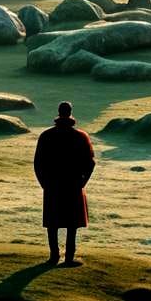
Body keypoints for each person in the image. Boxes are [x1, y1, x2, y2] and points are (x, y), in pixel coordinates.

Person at [33, 100, 95, 266]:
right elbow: (90, 163)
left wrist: (44, 183)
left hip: (53, 185)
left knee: (53, 223)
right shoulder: (81, 137)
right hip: (73, 184)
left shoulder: (46, 136)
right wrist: (82, 182)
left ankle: (54, 256)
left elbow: (38, 163)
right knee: (71, 224)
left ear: (59, 112)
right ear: (70, 112)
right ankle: (69, 258)